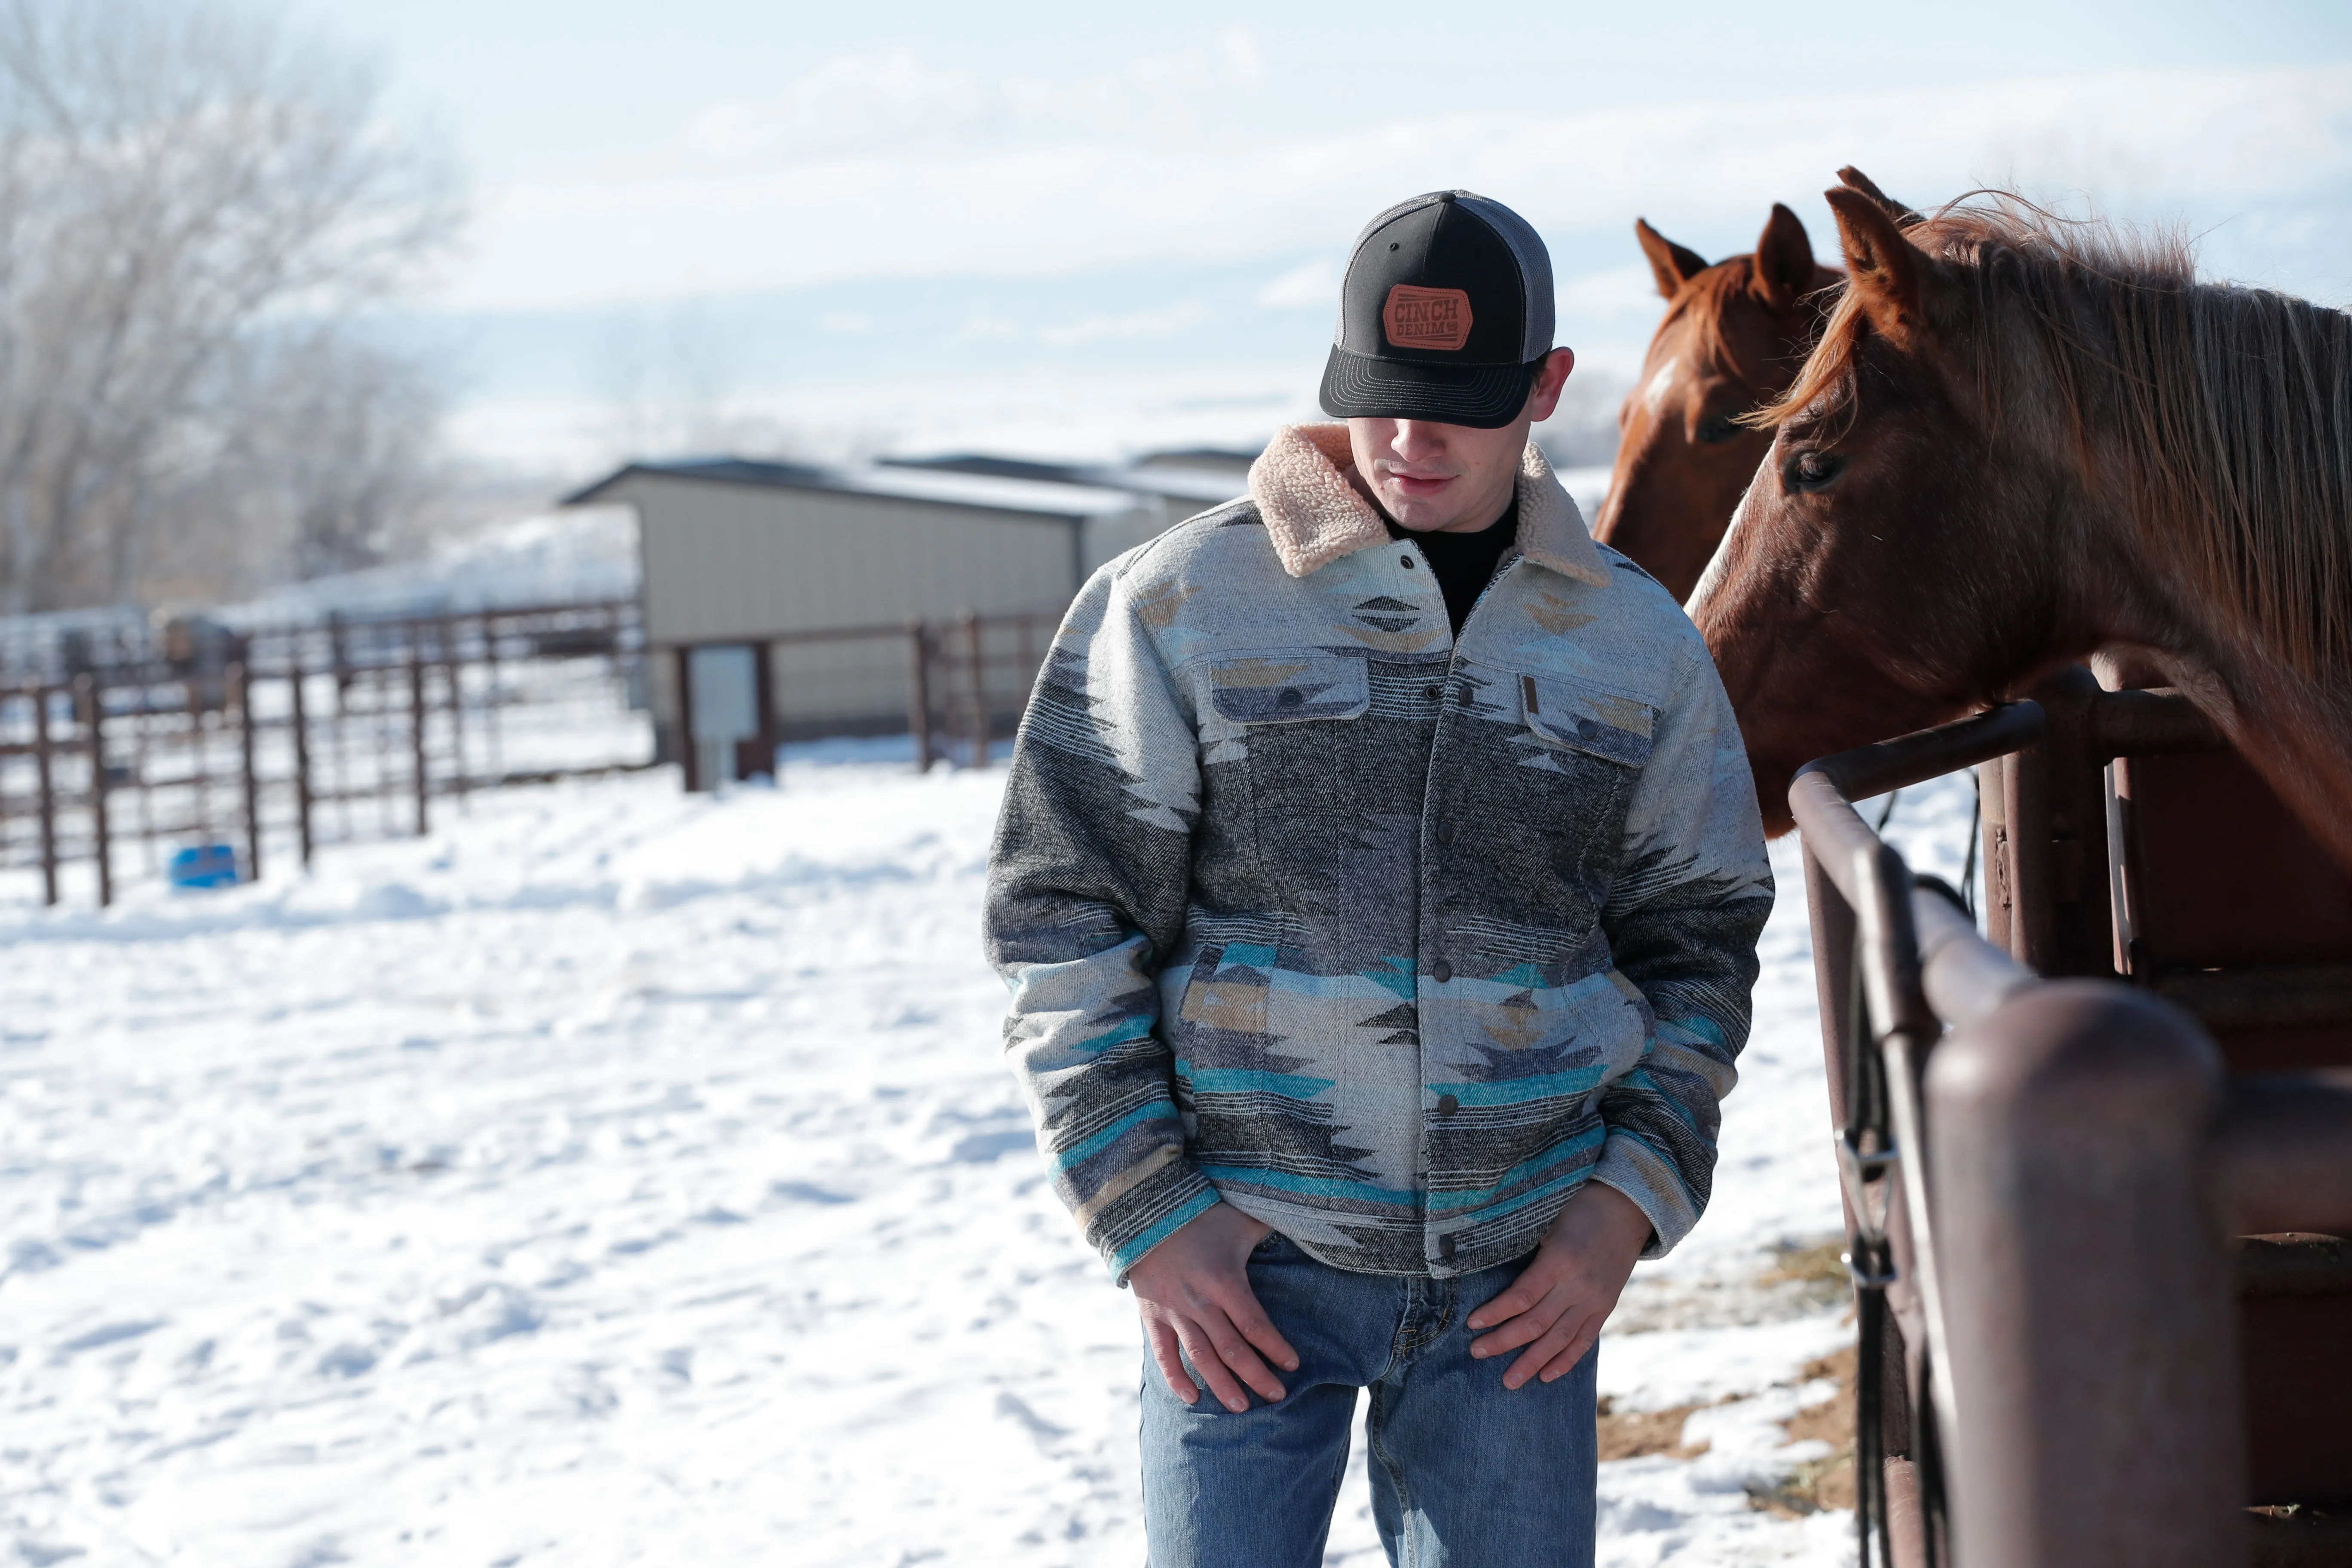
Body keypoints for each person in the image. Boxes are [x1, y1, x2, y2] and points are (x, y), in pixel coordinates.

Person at [983, 189, 1773, 1567]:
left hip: (1521, 1285)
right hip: (1240, 1276)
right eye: (1380, 395)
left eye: (1457, 401)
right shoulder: (1173, 606)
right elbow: (1062, 917)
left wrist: (1621, 1207)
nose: (1410, 440)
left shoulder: (1637, 642)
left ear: (1546, 387)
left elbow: (1700, 943)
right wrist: (1147, 1214)